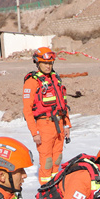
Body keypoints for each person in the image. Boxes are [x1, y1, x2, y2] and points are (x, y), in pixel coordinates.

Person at [23, 46, 70, 185]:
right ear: (37, 63)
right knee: (47, 160)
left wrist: (67, 124)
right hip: (44, 126)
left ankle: (56, 186)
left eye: (50, 63)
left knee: (57, 159)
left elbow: (63, 104)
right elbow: (27, 110)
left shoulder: (55, 79)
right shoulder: (32, 82)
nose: (48, 66)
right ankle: (45, 188)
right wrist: (34, 133)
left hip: (59, 125)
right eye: (44, 63)